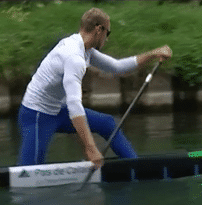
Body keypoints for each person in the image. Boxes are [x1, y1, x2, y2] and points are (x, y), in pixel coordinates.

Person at [17, 8, 172, 169]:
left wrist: (154, 53)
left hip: (58, 110)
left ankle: (135, 167)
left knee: (107, 123)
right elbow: (75, 106)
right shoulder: (74, 57)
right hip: (36, 115)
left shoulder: (85, 49)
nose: (107, 39)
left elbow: (117, 67)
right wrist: (90, 148)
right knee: (30, 171)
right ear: (99, 30)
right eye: (108, 33)